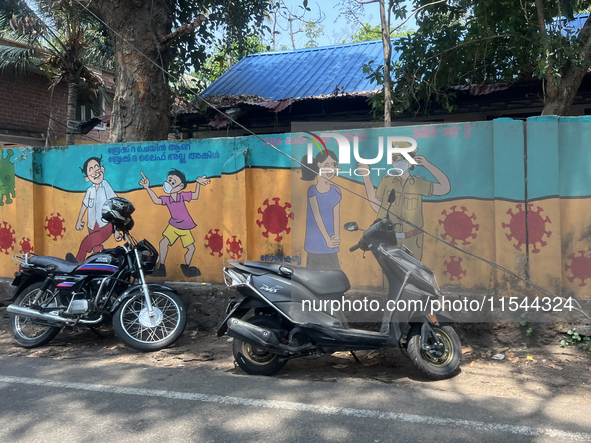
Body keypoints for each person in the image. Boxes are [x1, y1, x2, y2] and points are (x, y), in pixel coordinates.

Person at [358, 149, 450, 261]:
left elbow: (444, 188)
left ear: (411, 161)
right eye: (395, 159)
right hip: (389, 240)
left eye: (403, 158)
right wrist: (365, 175)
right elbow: (377, 206)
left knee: (415, 276)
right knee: (390, 277)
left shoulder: (418, 183)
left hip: (413, 241)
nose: (398, 162)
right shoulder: (387, 181)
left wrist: (427, 164)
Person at [139, 169, 210, 277]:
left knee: (191, 248)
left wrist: (198, 184)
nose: (169, 184)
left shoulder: (182, 196)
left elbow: (195, 195)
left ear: (180, 186)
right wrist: (147, 187)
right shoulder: (167, 199)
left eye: (173, 182)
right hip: (173, 225)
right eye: (168, 180)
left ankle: (186, 267)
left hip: (185, 226)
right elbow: (157, 200)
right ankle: (162, 268)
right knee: (163, 243)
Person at [70, 156, 118, 263]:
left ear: (102, 169)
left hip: (105, 225)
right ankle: (101, 266)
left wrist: (116, 229)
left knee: (86, 244)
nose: (95, 171)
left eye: (96, 167)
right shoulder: (90, 190)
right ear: (87, 178)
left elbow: (115, 202)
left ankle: (77, 263)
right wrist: (79, 221)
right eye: (91, 169)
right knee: (97, 249)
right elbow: (84, 205)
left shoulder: (105, 185)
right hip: (92, 225)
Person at [301, 150, 342, 269]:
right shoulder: (312, 190)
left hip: (331, 245)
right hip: (315, 244)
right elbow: (317, 216)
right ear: (319, 165)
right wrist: (327, 239)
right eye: (327, 165)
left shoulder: (336, 190)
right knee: (313, 279)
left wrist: (337, 237)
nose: (331, 169)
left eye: (334, 165)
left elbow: (336, 216)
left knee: (334, 278)